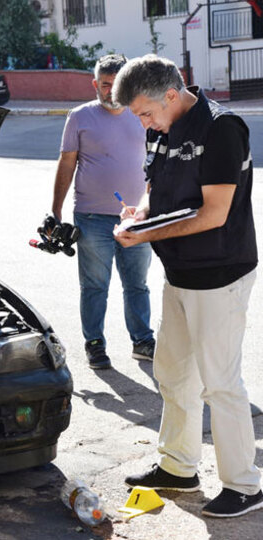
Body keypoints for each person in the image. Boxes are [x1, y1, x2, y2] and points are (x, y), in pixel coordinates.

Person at [114, 55, 261, 518]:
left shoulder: (222, 129)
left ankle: (245, 485)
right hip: (179, 273)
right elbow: (153, 189)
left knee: (220, 383)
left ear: (172, 95)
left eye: (145, 113)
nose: (143, 123)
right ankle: (178, 467)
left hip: (220, 274)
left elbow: (214, 214)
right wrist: (139, 214)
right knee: (174, 374)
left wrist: (145, 235)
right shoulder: (162, 128)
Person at [51, 53, 155, 370]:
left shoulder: (142, 114)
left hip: (136, 218)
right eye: (105, 84)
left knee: (137, 284)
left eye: (116, 84)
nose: (110, 91)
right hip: (92, 217)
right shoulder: (79, 117)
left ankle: (142, 341)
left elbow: (156, 163)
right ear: (95, 84)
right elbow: (66, 164)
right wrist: (55, 211)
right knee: (95, 286)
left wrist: (151, 206)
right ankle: (95, 343)